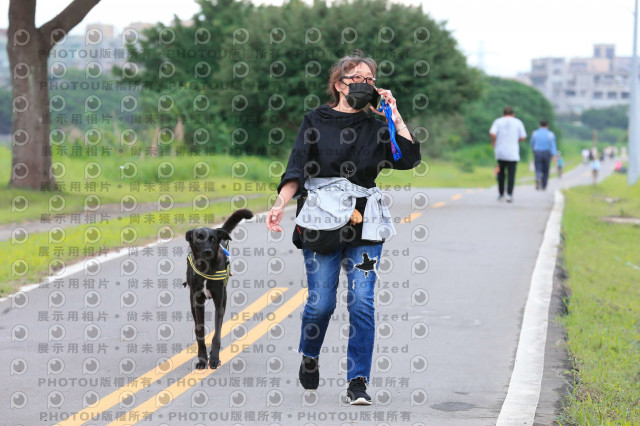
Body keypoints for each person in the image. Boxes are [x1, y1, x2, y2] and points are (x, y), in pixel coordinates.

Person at [265, 50, 421, 405]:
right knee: (321, 304)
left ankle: (358, 381)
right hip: (321, 219)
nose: (365, 84)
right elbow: (297, 167)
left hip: (365, 221)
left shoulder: (378, 124)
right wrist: (279, 205)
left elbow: (408, 157)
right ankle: (310, 354)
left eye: (370, 79)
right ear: (338, 84)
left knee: (362, 303)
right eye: (357, 79)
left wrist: (395, 115)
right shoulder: (315, 120)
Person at [489, 106, 527, 202]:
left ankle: (501, 194)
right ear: (513, 114)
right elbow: (523, 137)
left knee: (500, 174)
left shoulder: (498, 121)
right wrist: (515, 140)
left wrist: (493, 142)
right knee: (511, 174)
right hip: (512, 152)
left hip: (500, 151)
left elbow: (492, 133)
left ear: (503, 114)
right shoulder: (518, 122)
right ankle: (509, 194)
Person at [530, 120, 557, 190]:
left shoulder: (535, 133)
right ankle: (543, 186)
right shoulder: (550, 134)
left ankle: (538, 177)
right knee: (546, 170)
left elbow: (532, 143)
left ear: (540, 125)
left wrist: (533, 151)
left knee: (538, 168)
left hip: (537, 152)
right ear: (547, 126)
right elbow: (553, 145)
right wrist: (554, 155)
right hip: (547, 153)